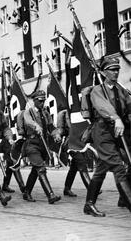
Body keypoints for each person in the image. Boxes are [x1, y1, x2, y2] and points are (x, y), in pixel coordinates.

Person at [84, 57, 131, 217]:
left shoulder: (120, 89)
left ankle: (89, 204)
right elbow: (103, 107)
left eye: (117, 69)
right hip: (103, 132)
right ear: (103, 72)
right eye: (112, 69)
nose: (116, 72)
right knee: (119, 167)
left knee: (102, 170)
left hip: (119, 132)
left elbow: (128, 106)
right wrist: (116, 118)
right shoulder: (98, 90)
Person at [22, 90, 62, 204]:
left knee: (36, 170)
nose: (42, 103)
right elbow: (28, 121)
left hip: (43, 145)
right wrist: (36, 126)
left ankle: (27, 192)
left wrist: (56, 134)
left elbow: (50, 127)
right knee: (41, 169)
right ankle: (50, 195)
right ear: (34, 101)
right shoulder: (28, 112)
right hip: (32, 144)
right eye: (39, 101)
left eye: (43, 101)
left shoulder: (45, 113)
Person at [56, 109, 92, 197]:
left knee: (74, 168)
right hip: (70, 143)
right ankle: (92, 189)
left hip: (80, 142)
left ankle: (67, 189)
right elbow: (60, 129)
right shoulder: (63, 113)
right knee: (81, 162)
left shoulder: (81, 111)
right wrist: (58, 135)